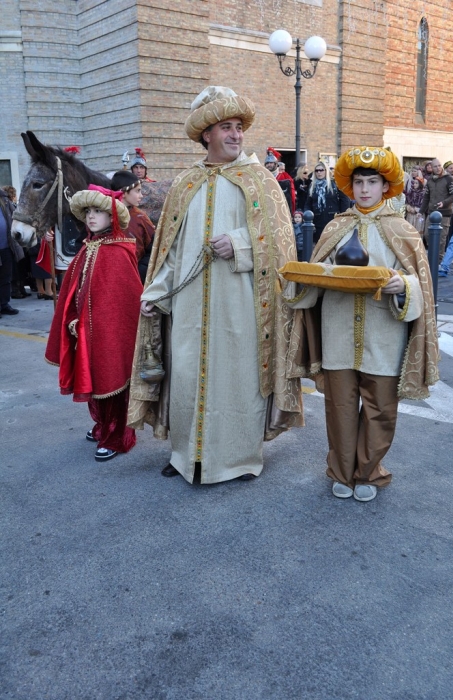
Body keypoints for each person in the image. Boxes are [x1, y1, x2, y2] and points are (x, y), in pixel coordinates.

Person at [128, 85, 304, 484]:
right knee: (187, 377)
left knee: (237, 380)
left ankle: (239, 457)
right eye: (226, 127)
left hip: (242, 306)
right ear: (206, 134)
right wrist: (154, 294)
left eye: (239, 127)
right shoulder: (185, 183)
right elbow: (169, 250)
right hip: (189, 308)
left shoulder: (260, 181)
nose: (236, 135)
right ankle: (185, 453)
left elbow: (280, 245)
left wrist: (240, 243)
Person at [286, 146, 439, 502]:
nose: (365, 189)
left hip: (384, 336)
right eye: (359, 182)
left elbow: (422, 285)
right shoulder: (335, 228)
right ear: (349, 186)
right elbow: (311, 285)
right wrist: (303, 279)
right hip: (338, 334)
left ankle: (369, 473)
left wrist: (406, 285)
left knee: (380, 409)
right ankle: (341, 470)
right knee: (339, 408)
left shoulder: (403, 231)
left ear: (386, 187)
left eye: (373, 181)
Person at [45, 186, 142, 462]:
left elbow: (123, 301)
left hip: (109, 333)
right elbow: (75, 291)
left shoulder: (119, 251)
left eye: (98, 211)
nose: (91, 217)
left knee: (112, 378)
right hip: (86, 331)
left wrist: (104, 326)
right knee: (92, 378)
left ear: (112, 217)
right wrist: (74, 318)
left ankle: (119, 434)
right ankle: (102, 423)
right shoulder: (87, 248)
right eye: (88, 212)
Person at [110, 170, 155, 283]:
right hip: (109, 278)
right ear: (123, 192)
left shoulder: (140, 218)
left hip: (135, 279)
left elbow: (153, 250)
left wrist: (139, 273)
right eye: (137, 191)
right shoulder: (104, 217)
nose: (141, 195)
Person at [304, 160, 351, 243]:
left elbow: (345, 200)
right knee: (319, 245)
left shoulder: (335, 184)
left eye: (321, 170)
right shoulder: (312, 186)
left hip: (333, 219)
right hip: (317, 220)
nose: (319, 172)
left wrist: (343, 216)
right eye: (317, 170)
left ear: (326, 171)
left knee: (332, 244)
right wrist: (307, 215)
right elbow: (308, 203)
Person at [420, 158, 453, 261]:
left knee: (441, 239)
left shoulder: (449, 179)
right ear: (431, 168)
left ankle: (439, 260)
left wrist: (444, 203)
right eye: (435, 166)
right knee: (427, 235)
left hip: (445, 214)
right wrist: (421, 211)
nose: (438, 168)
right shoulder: (430, 181)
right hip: (432, 213)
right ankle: (433, 256)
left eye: (439, 165)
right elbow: (426, 198)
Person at [0, 187, 20, 317]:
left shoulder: (4, 200)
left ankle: (4, 304)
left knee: (6, 278)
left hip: (6, 247)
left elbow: (17, 216)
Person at [264, 147, 296, 214]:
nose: (269, 165)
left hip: (281, 208)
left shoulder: (284, 176)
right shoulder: (263, 176)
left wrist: (291, 212)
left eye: (271, 163)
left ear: (276, 164)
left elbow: (291, 196)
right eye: (267, 163)